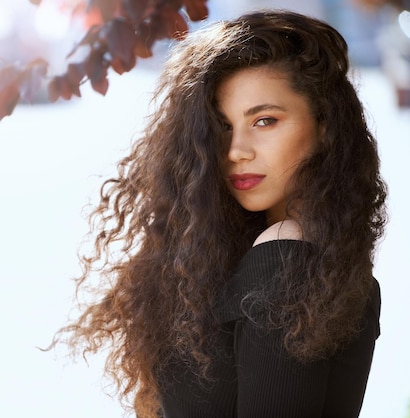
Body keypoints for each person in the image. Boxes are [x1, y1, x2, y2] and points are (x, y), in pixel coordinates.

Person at [51, 9, 388, 418]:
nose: (236, 151)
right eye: (222, 127)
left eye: (265, 121)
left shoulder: (287, 258)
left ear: (324, 126)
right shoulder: (288, 263)